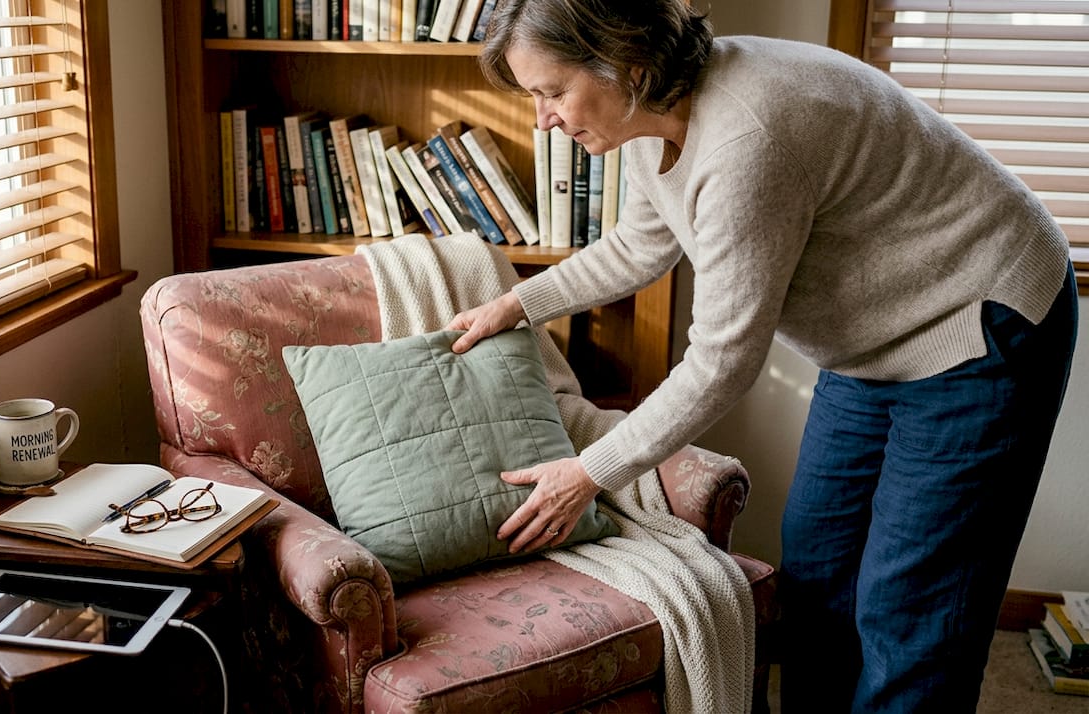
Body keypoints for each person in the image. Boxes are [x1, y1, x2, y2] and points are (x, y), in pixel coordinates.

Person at [446, 1, 1080, 711]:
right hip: (875, 339)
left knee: (912, 615)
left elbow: (722, 363)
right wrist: (517, 303)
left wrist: (589, 473)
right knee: (817, 579)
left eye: (552, 92)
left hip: (979, 322)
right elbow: (641, 247)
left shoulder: (746, 138)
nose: (543, 119)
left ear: (626, 63)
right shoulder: (652, 120)